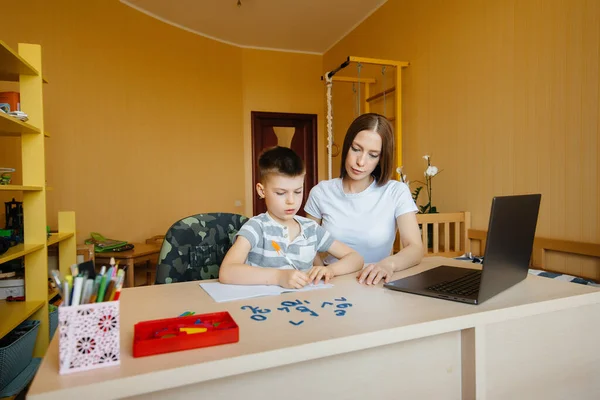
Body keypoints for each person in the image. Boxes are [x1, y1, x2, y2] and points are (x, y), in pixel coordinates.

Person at [219, 146, 363, 289]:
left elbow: (355, 258)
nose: (291, 201)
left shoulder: (311, 229)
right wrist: (278, 277)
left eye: (298, 191)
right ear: (262, 191)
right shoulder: (256, 227)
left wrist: (330, 270)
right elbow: (227, 272)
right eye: (281, 193)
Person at [304, 113, 423, 286]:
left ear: (381, 159)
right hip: (331, 282)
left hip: (377, 283)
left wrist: (388, 264)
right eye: (356, 149)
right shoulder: (321, 192)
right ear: (347, 146)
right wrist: (322, 274)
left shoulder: (396, 191)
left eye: (373, 155)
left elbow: (415, 248)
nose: (360, 161)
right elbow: (308, 245)